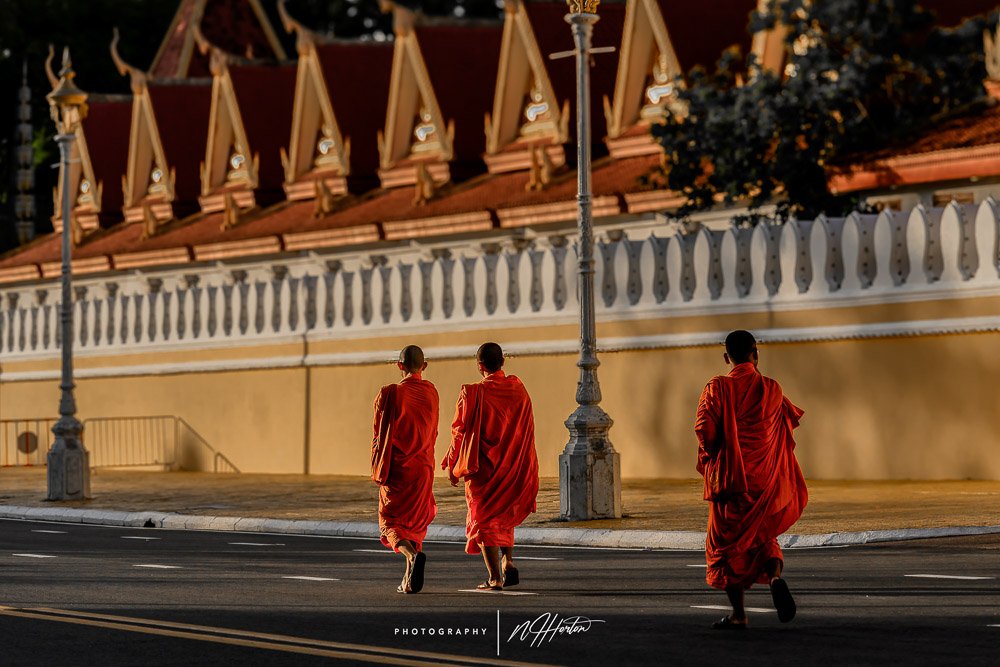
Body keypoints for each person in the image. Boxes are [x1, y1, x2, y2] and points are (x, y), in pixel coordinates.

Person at [694, 330, 808, 629]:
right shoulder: (772, 388)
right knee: (762, 537)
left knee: (725, 545)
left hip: (732, 480)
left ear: (726, 357)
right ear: (756, 354)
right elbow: (787, 423)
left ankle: (739, 614)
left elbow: (704, 429)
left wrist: (712, 457)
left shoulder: (718, 387)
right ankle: (774, 578)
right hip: (765, 480)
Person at [442, 342, 539, 591]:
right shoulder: (518, 388)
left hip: (483, 469)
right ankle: (508, 561)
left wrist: (452, 462)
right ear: (502, 363)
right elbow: (526, 428)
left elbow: (459, 433)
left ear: (480, 366)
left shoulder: (472, 394)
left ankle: (495, 577)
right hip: (512, 465)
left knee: (483, 519)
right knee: (503, 517)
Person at [371, 345, 439, 594]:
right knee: (415, 521)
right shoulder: (432, 392)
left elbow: (379, 435)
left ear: (399, 366)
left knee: (391, 521)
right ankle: (408, 580)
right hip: (423, 466)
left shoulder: (389, 393)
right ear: (424, 366)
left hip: (397, 467)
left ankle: (411, 555)